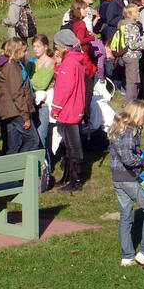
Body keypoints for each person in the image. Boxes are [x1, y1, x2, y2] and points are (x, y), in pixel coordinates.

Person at [109, 101, 144, 269]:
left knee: (125, 215)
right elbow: (128, 158)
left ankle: (127, 256)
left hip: (117, 178)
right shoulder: (129, 131)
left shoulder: (119, 128)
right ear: (137, 116)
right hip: (128, 178)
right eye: (143, 119)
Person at [51, 30, 87, 191]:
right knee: (69, 145)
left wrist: (55, 109)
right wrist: (58, 64)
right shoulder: (76, 60)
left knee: (73, 147)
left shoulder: (69, 63)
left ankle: (76, 180)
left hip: (68, 110)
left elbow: (63, 88)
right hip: (76, 106)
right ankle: (68, 176)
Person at [0, 38, 39, 154]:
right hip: (16, 111)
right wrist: (25, 116)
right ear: (16, 51)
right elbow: (17, 93)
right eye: (24, 51)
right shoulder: (11, 68)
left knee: (13, 144)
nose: (26, 53)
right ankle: (21, 165)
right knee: (33, 140)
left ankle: (10, 168)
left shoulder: (16, 65)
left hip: (12, 110)